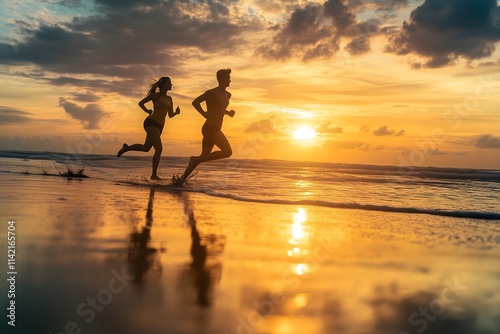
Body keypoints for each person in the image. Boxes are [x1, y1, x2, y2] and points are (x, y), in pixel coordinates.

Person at [176, 69, 235, 184]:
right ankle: (194, 160)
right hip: (210, 127)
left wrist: (228, 113)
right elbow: (195, 102)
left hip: (215, 127)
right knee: (227, 152)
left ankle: (180, 180)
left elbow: (219, 109)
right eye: (228, 78)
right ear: (223, 79)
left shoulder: (228, 95)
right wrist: (203, 113)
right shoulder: (211, 92)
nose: (230, 80)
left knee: (204, 156)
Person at [117, 77, 180, 180]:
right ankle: (154, 175)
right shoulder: (155, 96)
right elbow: (141, 103)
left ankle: (126, 148)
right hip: (151, 122)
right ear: (163, 85)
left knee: (146, 148)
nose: (171, 85)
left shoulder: (170, 99)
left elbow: (170, 115)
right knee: (159, 149)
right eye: (169, 83)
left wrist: (176, 113)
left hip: (160, 125)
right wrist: (147, 111)